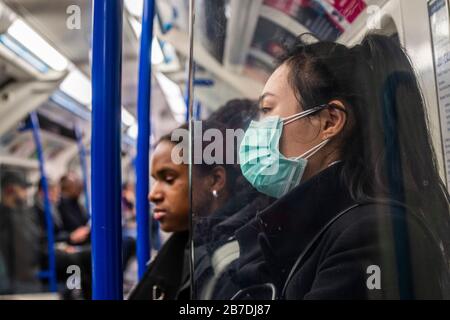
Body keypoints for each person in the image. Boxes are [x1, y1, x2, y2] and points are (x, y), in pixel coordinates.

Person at [220, 33, 450, 300]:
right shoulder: (331, 224)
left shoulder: (371, 235)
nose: (256, 128)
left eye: (268, 109)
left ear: (330, 121)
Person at [0, 170, 41, 294]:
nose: (26, 193)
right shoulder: (3, 217)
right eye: (22, 188)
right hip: (12, 282)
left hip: (30, 277)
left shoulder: (26, 213)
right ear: (10, 190)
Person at [58, 173, 90, 245]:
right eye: (75, 183)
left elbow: (85, 221)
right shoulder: (60, 206)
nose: (80, 185)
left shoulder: (77, 204)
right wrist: (70, 236)